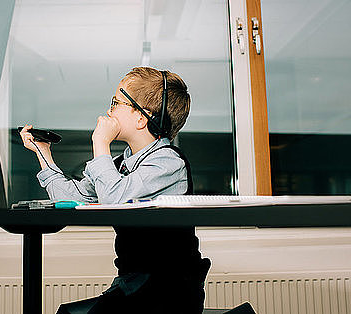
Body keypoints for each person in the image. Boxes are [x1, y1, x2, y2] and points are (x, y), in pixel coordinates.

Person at [20, 66, 210, 314]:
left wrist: (100, 142)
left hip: (169, 291)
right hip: (134, 285)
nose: (109, 110)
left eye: (116, 102)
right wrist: (44, 156)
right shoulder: (119, 164)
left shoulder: (168, 163)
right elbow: (74, 199)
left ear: (141, 118)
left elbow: (114, 201)